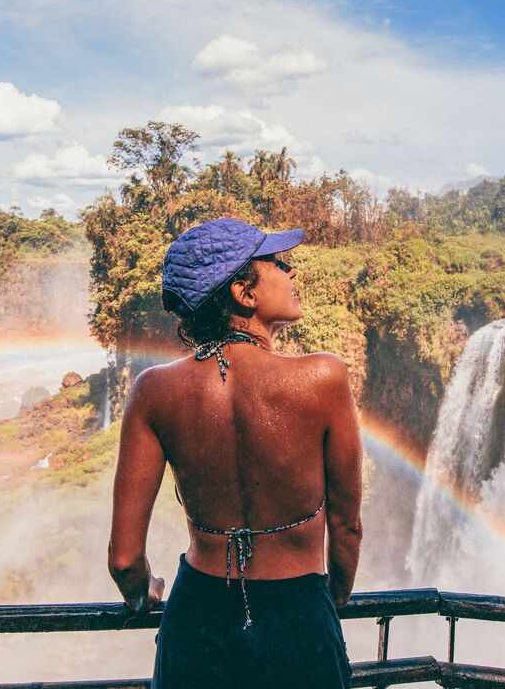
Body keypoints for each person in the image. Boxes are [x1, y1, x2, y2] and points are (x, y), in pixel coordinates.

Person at [108, 217, 364, 689]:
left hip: (197, 619)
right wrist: (332, 600)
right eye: (278, 263)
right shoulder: (323, 378)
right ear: (244, 293)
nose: (291, 273)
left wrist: (145, 592)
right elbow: (346, 527)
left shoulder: (153, 391)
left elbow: (125, 560)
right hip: (298, 620)